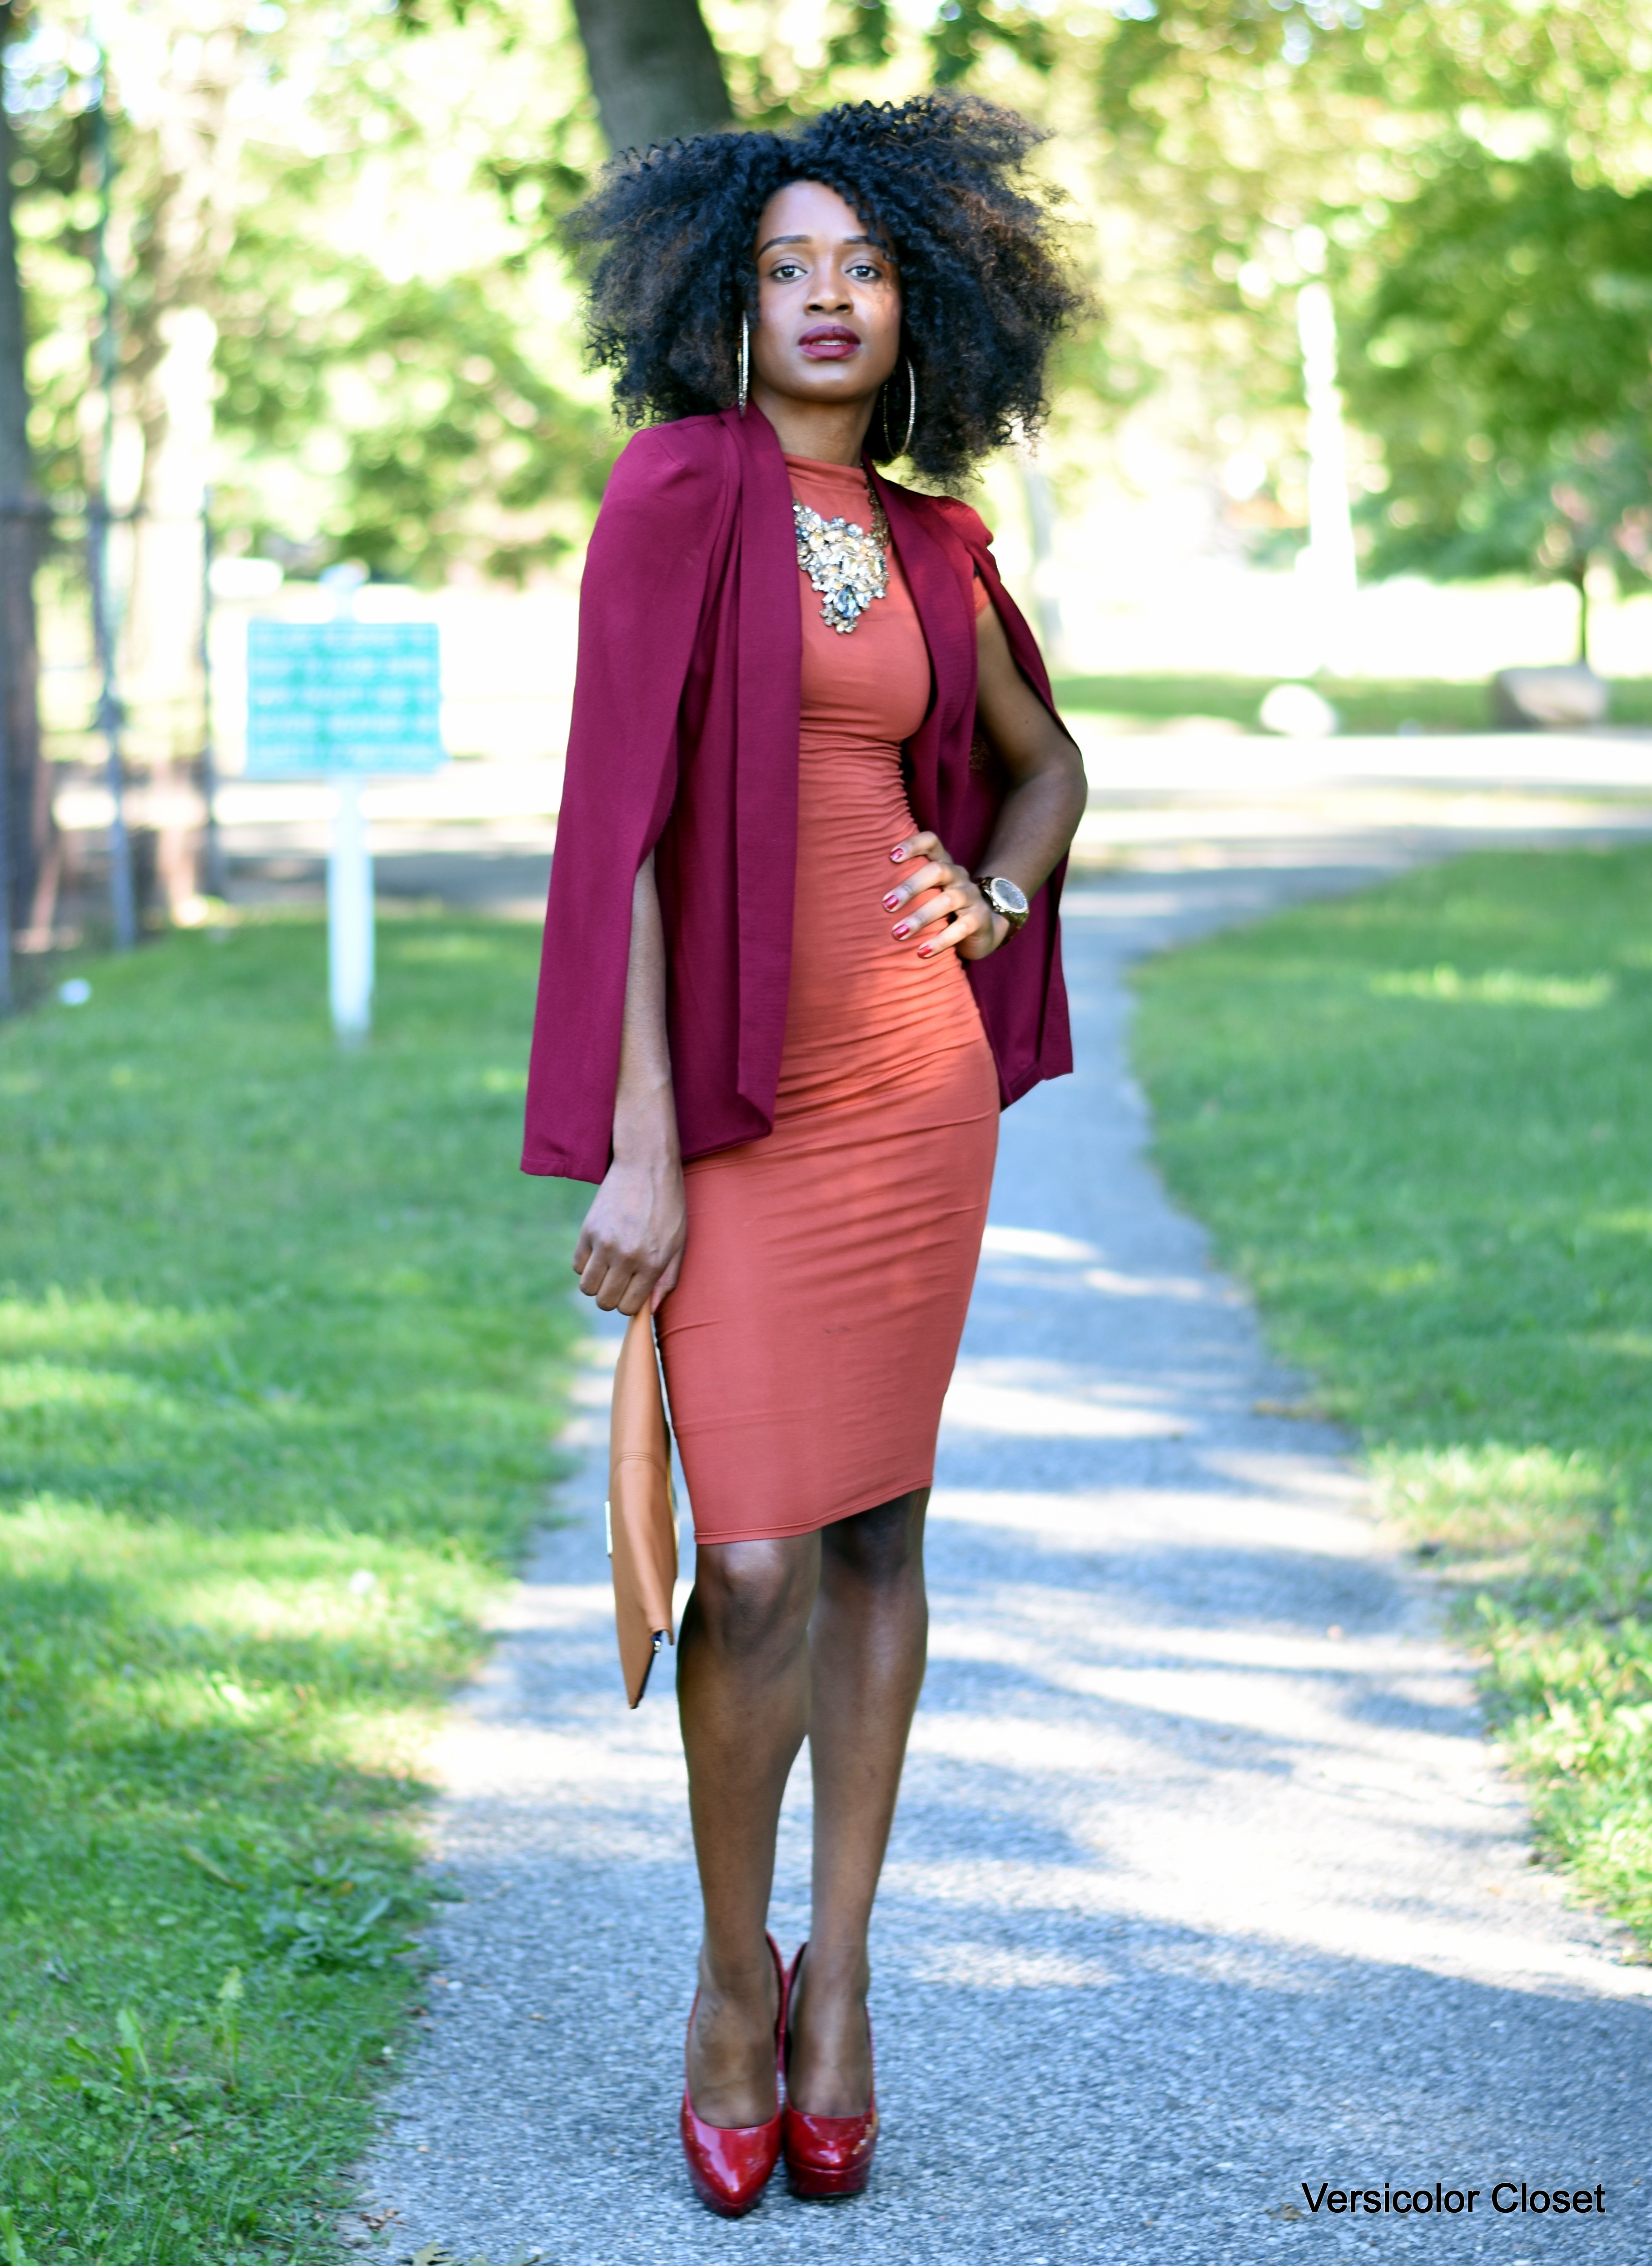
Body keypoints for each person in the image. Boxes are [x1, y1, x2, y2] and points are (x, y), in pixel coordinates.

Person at [522, 95, 1087, 2218]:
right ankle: (723, 1984)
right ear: (722, 298)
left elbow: (1050, 764)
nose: (828, 296)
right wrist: (642, 1151)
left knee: (874, 1540)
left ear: (922, 294)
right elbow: (628, 833)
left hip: (913, 1096)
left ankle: (838, 1981)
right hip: (746, 1110)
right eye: (787, 267)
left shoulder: (942, 544)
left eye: (862, 265)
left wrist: (996, 896)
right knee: (751, 1559)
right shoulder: (679, 492)